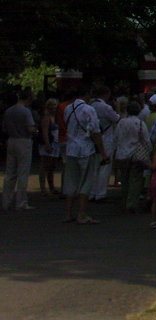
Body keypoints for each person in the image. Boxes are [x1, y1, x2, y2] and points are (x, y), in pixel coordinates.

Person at [63, 87, 108, 224]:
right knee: (85, 182)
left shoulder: (68, 109)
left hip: (70, 148)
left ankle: (68, 213)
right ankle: (81, 214)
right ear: (87, 94)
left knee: (70, 182)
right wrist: (103, 152)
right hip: (85, 149)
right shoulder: (89, 109)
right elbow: (96, 131)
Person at [113, 101, 151, 213]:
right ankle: (132, 203)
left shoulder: (121, 122)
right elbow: (146, 140)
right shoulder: (140, 123)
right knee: (135, 180)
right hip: (136, 154)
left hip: (122, 154)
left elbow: (116, 138)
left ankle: (124, 201)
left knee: (124, 180)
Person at [2, 89, 37, 210]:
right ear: (28, 99)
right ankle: (21, 202)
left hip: (11, 140)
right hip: (24, 140)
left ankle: (6, 201)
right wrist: (35, 131)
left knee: (10, 172)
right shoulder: (26, 111)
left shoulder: (9, 111)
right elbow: (30, 129)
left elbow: (4, 128)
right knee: (23, 172)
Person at [88, 85, 119, 202]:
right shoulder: (106, 107)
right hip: (106, 137)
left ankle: (92, 192)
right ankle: (100, 193)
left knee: (94, 167)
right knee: (104, 166)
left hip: (92, 138)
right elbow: (116, 119)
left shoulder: (90, 106)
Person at [37, 98, 61, 196]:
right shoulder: (46, 118)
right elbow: (45, 132)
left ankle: (52, 187)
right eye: (51, 106)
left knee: (52, 166)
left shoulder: (57, 118)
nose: (53, 108)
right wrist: (47, 144)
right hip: (47, 143)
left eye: (55, 106)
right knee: (44, 165)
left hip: (56, 144)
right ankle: (43, 188)